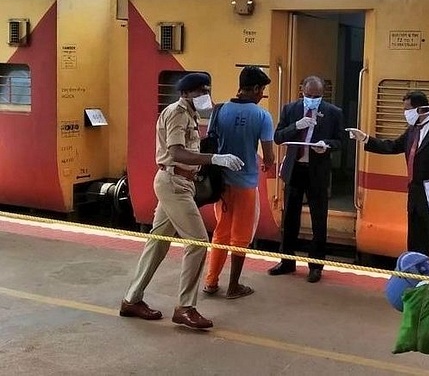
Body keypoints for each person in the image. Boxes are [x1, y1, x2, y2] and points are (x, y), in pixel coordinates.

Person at [120, 72, 244, 329]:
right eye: (200, 92)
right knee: (198, 242)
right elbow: (176, 152)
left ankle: (131, 299)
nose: (204, 96)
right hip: (174, 183)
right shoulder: (177, 113)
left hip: (178, 182)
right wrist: (214, 159)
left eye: (206, 91)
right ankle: (185, 307)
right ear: (186, 93)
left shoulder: (189, 113)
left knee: (158, 243)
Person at [346, 90, 429, 255]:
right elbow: (393, 146)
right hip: (415, 195)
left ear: (421, 110)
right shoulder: (412, 130)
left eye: (407, 109)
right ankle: (415, 275)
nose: (405, 114)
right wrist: (365, 139)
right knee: (415, 241)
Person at [203, 66, 275, 299]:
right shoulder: (262, 115)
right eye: (262, 89)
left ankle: (211, 282)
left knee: (221, 232)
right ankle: (233, 286)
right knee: (241, 237)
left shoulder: (219, 110)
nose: (262, 94)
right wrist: (268, 163)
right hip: (245, 184)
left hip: (221, 182)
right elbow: (269, 155)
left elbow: (212, 142)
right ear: (254, 88)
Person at [267, 75, 344, 283]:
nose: (312, 99)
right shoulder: (290, 109)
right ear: (302, 91)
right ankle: (287, 261)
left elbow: (339, 142)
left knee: (319, 219)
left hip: (317, 170)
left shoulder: (333, 113)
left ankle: (316, 266)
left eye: (317, 96)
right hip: (295, 168)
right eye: (309, 95)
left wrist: (326, 145)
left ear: (322, 95)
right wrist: (297, 126)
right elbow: (278, 137)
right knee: (290, 216)